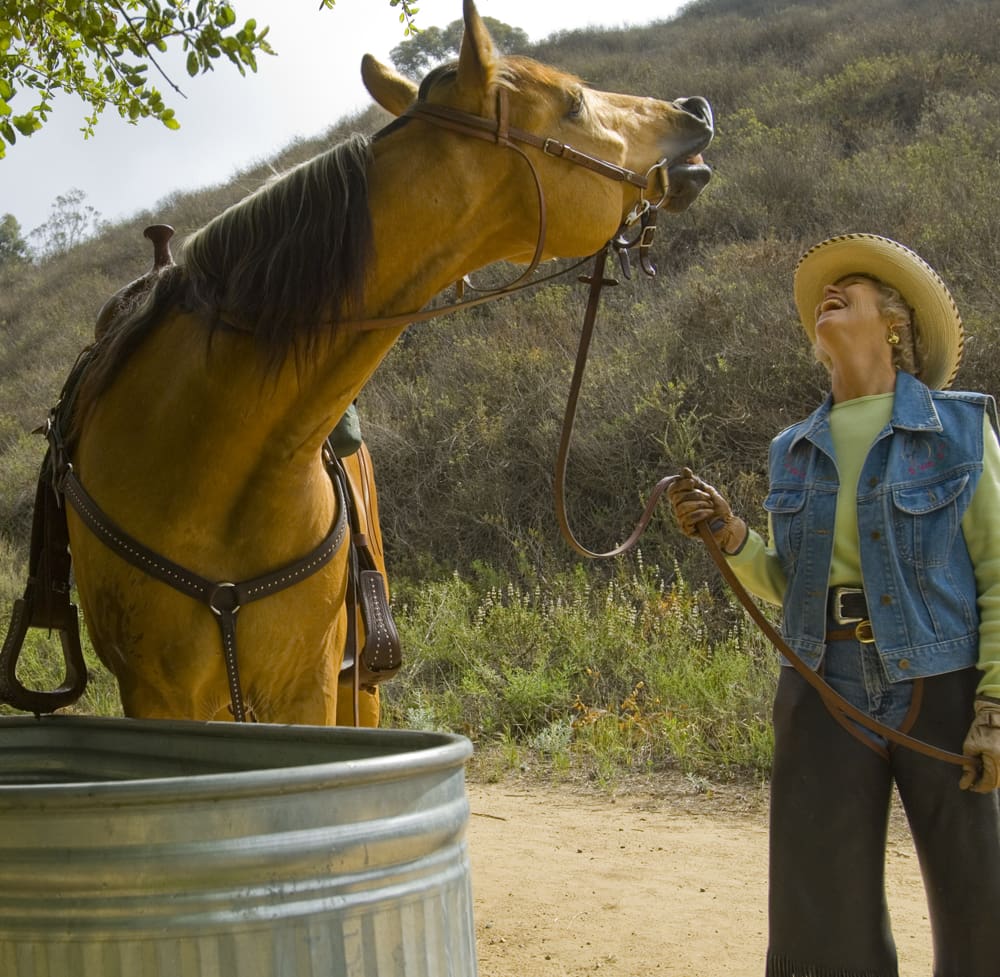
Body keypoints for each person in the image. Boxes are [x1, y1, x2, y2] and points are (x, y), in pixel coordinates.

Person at [668, 233, 1000, 977]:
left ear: (894, 320)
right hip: (824, 684)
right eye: (826, 290)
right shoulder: (793, 447)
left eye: (850, 287)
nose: (828, 292)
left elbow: (998, 570)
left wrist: (995, 707)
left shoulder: (959, 429)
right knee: (821, 922)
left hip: (941, 680)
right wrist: (731, 533)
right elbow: (792, 584)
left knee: (981, 902)